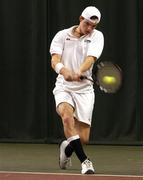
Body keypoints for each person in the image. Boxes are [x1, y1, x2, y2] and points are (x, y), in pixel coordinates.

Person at [49, 6, 104, 174]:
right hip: (64, 87)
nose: (90, 29)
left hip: (85, 91)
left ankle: (66, 148)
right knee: (67, 117)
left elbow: (90, 59)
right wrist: (64, 71)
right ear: (81, 19)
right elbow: (55, 59)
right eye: (87, 24)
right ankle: (85, 162)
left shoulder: (97, 36)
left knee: (83, 138)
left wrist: (79, 71)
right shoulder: (61, 35)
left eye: (93, 26)